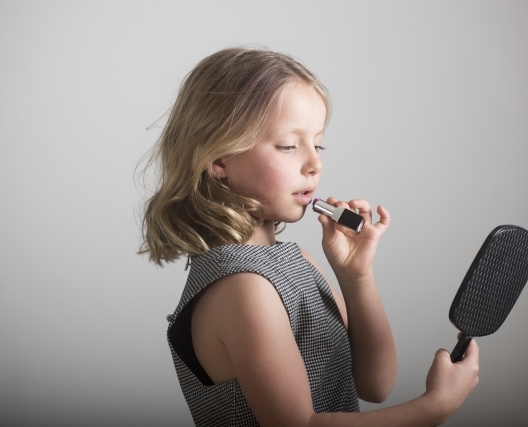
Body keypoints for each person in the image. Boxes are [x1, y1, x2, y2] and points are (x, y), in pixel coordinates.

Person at [138, 47, 479, 427]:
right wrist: (435, 407)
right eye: (288, 145)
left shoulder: (295, 261)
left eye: (318, 144)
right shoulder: (241, 287)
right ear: (219, 159)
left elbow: (375, 383)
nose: (315, 163)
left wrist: (356, 276)